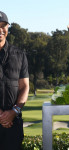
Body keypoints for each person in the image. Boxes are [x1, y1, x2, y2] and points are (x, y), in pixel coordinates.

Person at [0, 11, 29, 150]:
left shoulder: (20, 54)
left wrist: (14, 112)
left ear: (7, 28)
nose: (0, 29)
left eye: (3, 25)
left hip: (13, 125)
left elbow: (24, 87)